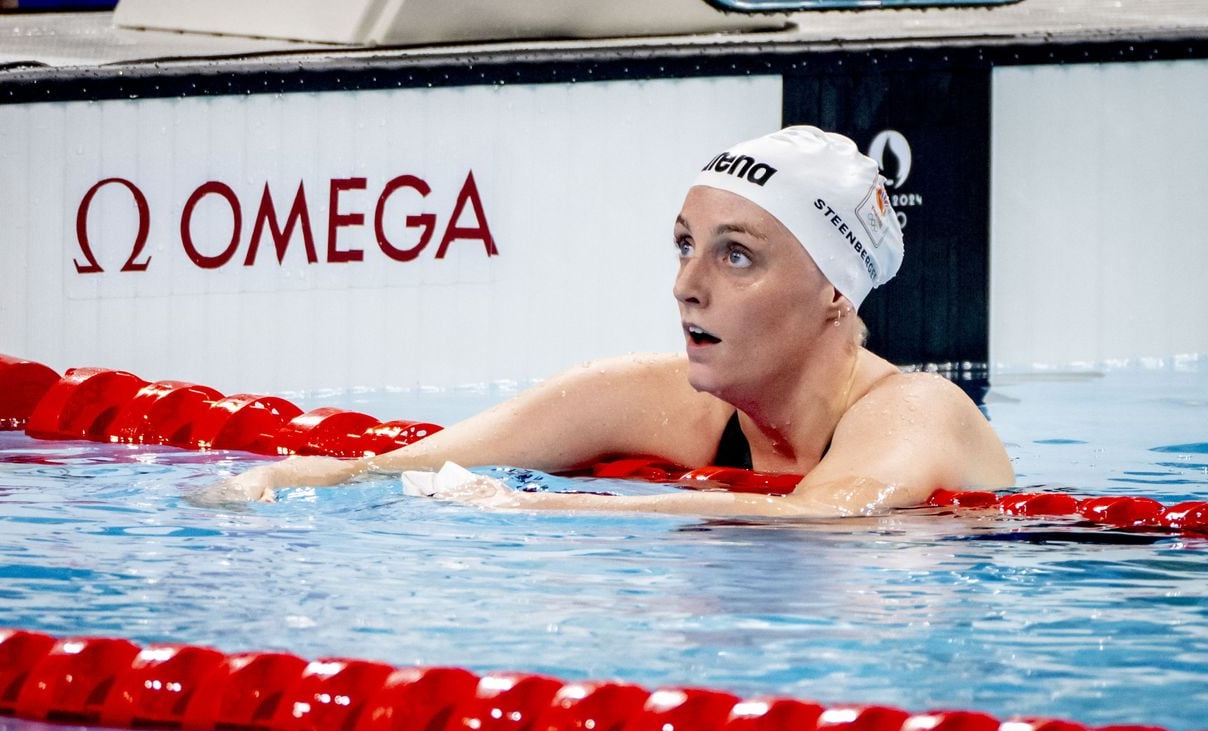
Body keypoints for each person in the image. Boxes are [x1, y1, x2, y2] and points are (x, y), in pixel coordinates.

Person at [205, 126, 1013, 516]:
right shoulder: (658, 398)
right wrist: (281, 478)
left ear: (836, 290)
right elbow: (414, 464)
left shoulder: (918, 410)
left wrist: (550, 510)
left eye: (736, 256)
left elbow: (824, 519)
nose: (685, 287)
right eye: (686, 246)